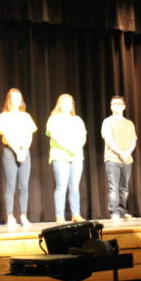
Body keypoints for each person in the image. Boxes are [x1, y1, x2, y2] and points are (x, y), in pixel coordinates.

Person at [0, 88, 38, 228]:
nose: (17, 100)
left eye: (19, 97)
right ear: (9, 100)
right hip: (10, 151)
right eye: (14, 98)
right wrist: (16, 151)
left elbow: (30, 134)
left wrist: (24, 150)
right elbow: (6, 134)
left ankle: (23, 216)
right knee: (11, 185)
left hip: (24, 151)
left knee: (24, 186)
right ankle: (10, 215)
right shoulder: (4, 116)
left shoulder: (26, 116)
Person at [45, 94, 87, 223]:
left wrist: (77, 147)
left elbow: (83, 136)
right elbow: (55, 135)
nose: (67, 105)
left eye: (69, 103)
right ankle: (60, 215)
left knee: (74, 187)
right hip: (60, 155)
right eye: (64, 102)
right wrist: (69, 147)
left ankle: (76, 214)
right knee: (61, 186)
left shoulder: (77, 120)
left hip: (76, 156)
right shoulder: (53, 119)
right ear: (59, 104)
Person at [101, 95, 137, 221]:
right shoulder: (107, 121)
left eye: (118, 103)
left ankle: (122, 211)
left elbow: (133, 140)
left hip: (127, 159)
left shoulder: (129, 123)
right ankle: (114, 212)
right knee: (113, 187)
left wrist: (127, 153)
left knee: (124, 187)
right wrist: (120, 152)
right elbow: (108, 140)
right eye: (113, 104)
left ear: (123, 106)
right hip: (112, 158)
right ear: (111, 107)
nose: (115, 106)